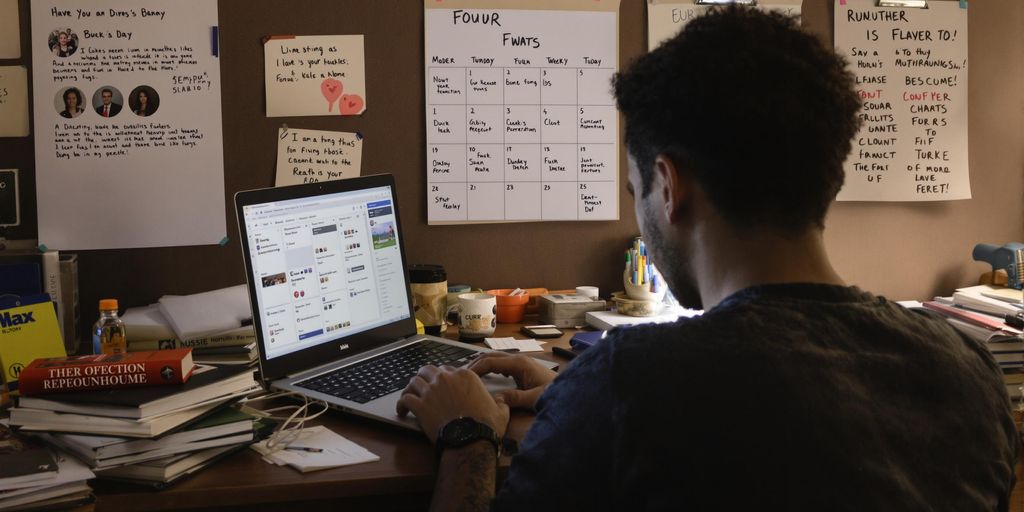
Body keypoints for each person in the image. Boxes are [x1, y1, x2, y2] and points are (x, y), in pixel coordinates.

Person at [396, 6, 1019, 511]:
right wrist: (572, 396)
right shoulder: (966, 372)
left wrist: (468, 439)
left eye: (635, 191)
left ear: (669, 186)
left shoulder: (628, 387)